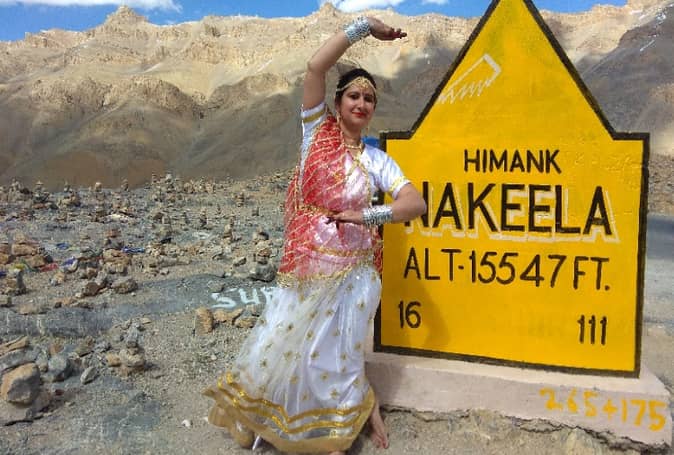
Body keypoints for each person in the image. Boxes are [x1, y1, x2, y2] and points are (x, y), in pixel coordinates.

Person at [204, 15, 426, 455]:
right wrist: (366, 26)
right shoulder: (316, 132)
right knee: (286, 344)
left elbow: (414, 203)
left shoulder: (376, 160)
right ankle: (280, 422)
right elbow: (314, 67)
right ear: (338, 103)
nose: (362, 104)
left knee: (339, 355)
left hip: (355, 275)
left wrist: (368, 215)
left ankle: (335, 431)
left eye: (370, 99)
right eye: (354, 96)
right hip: (307, 265)